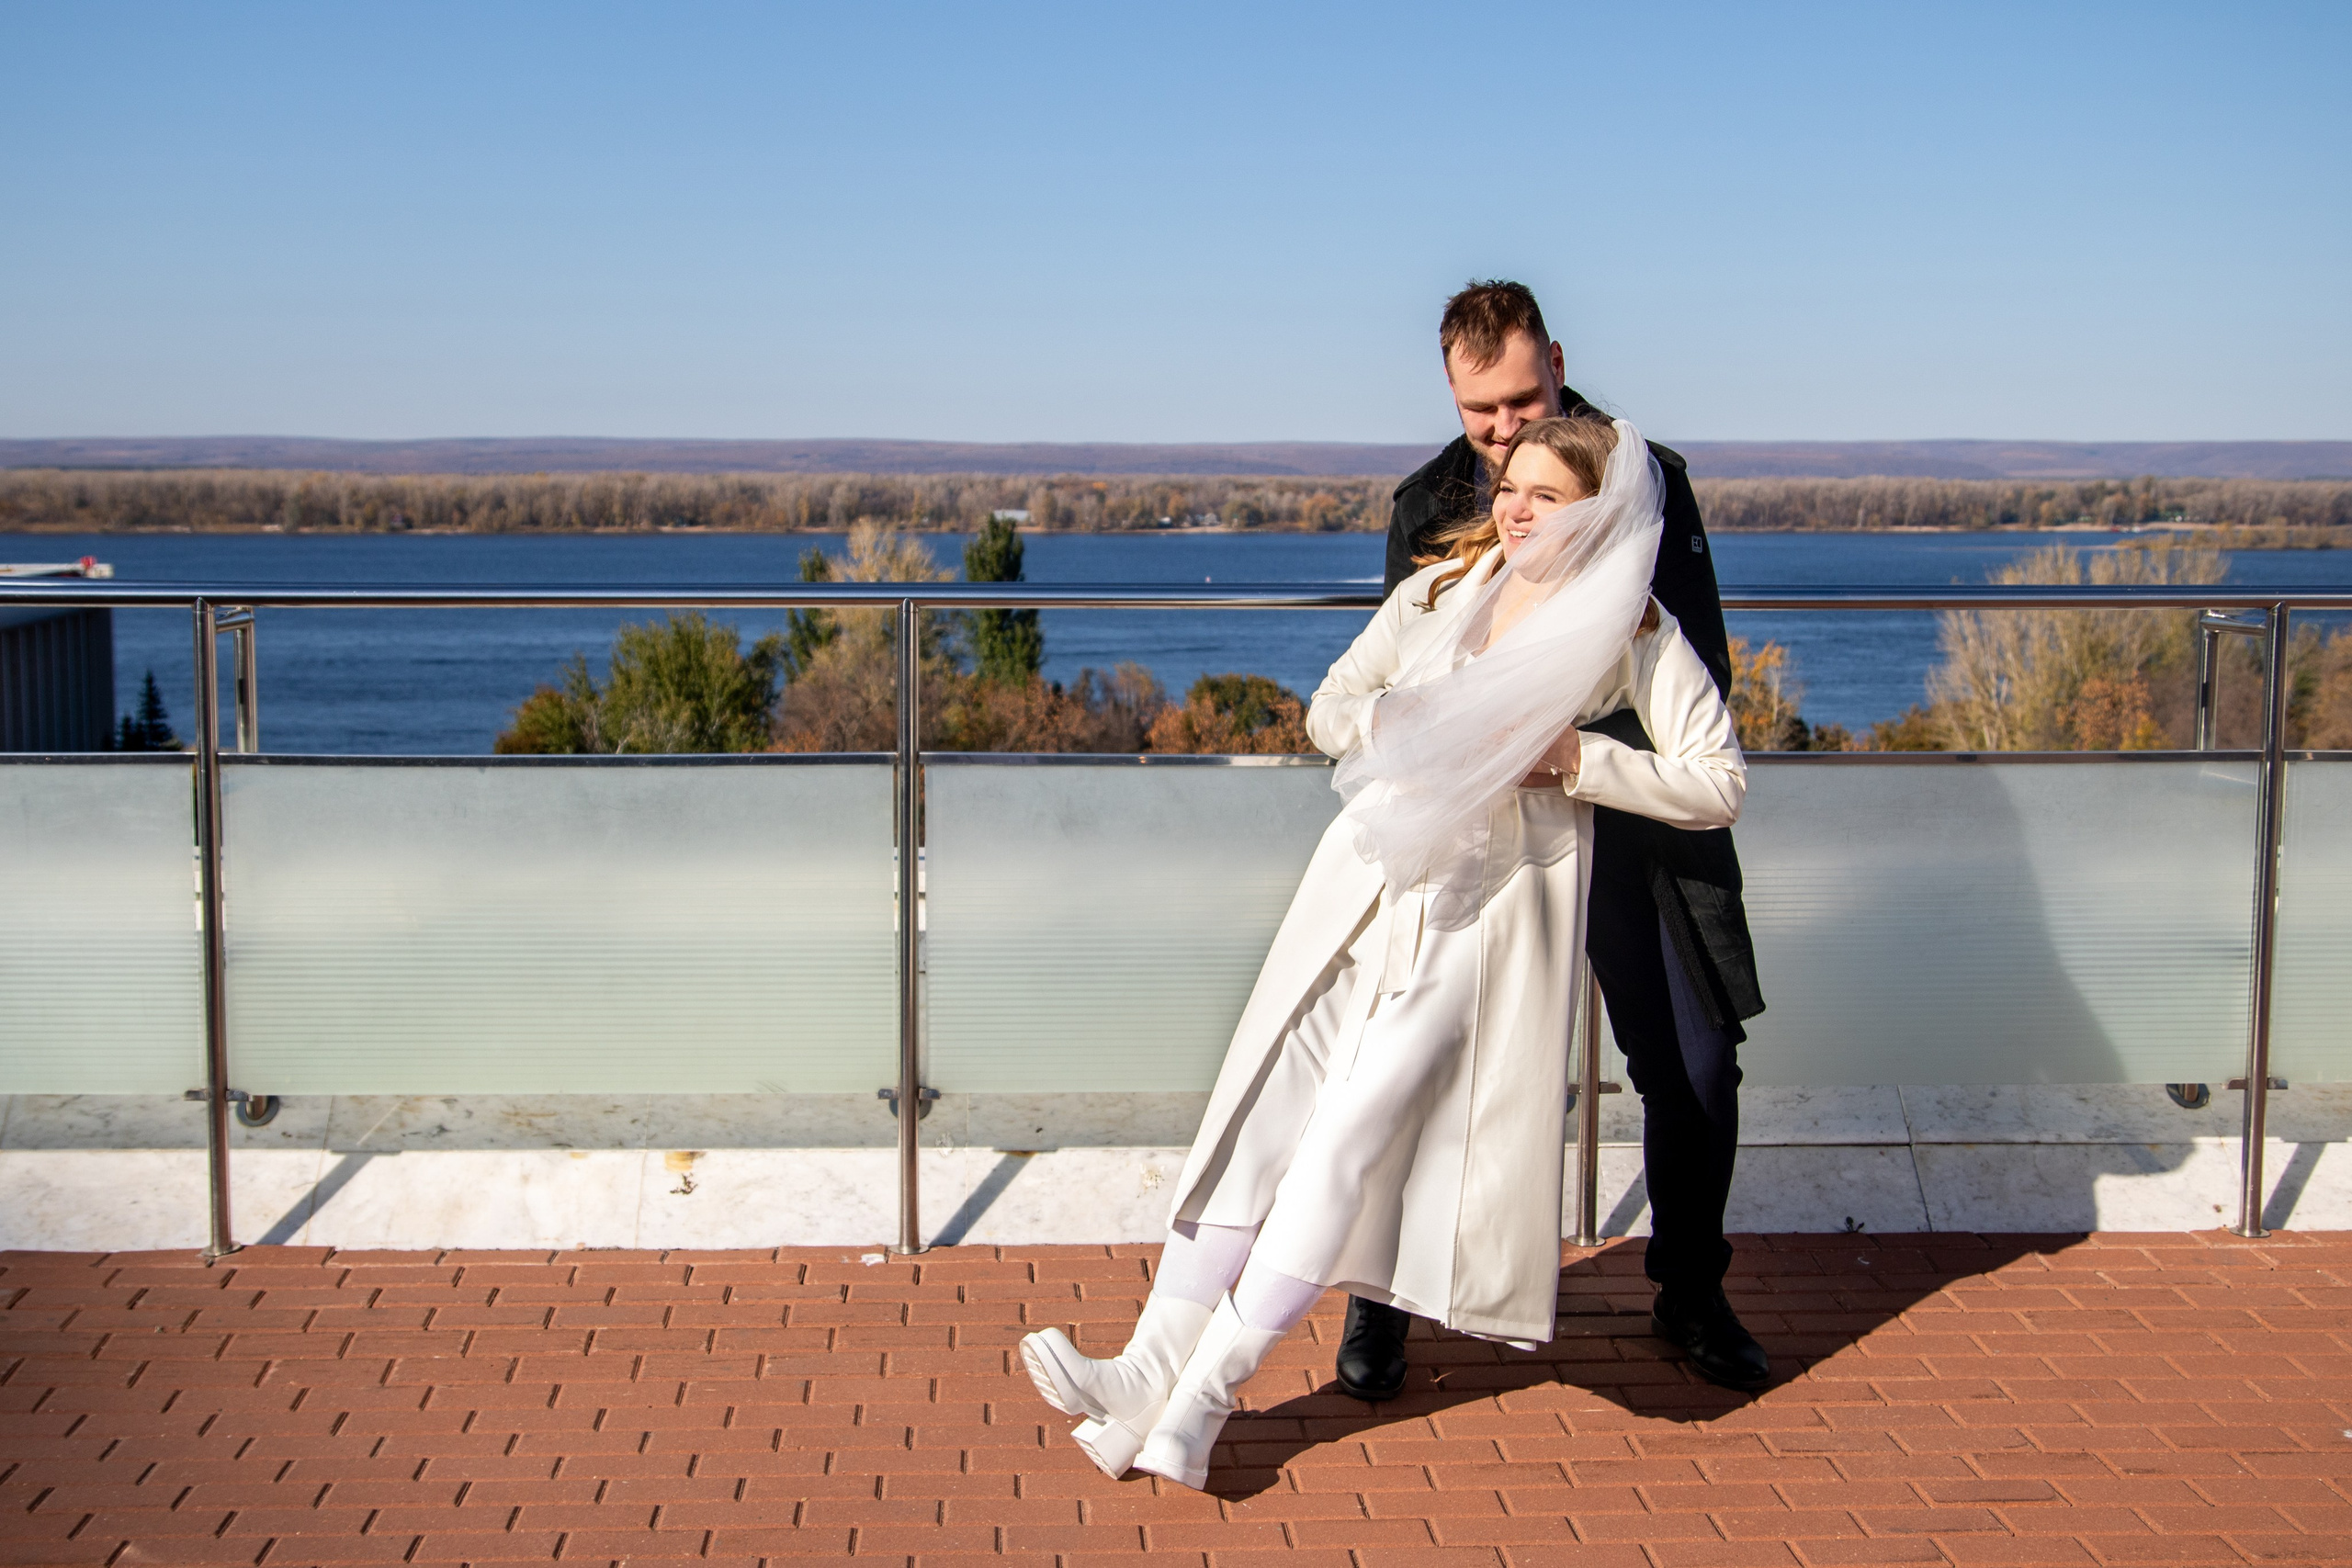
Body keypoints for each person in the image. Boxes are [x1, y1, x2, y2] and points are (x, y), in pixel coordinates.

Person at [1020, 414, 1746, 1491]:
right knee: (1265, 1119)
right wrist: (1401, 726)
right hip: (1362, 888)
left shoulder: (1629, 631)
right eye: (1511, 485)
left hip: (1484, 924)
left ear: (1593, 513)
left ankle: (1208, 1395)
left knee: (1344, 1147)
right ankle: (1144, 1379)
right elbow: (1329, 711)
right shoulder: (1440, 595)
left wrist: (1576, 757)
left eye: (1546, 496)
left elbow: (1717, 780)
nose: (1514, 506)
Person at [1338, 281, 1770, 1400]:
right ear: (1450, 391)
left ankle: (1690, 1290)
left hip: (1626, 816)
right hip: (1485, 829)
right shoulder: (1424, 499)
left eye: (1523, 399)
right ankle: (1378, 1303)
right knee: (1414, 1055)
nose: (1504, 432)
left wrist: (1574, 750)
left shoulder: (1648, 475)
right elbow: (1411, 685)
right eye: (1480, 410)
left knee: (1694, 1064)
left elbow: (1696, 675)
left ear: (1559, 363)